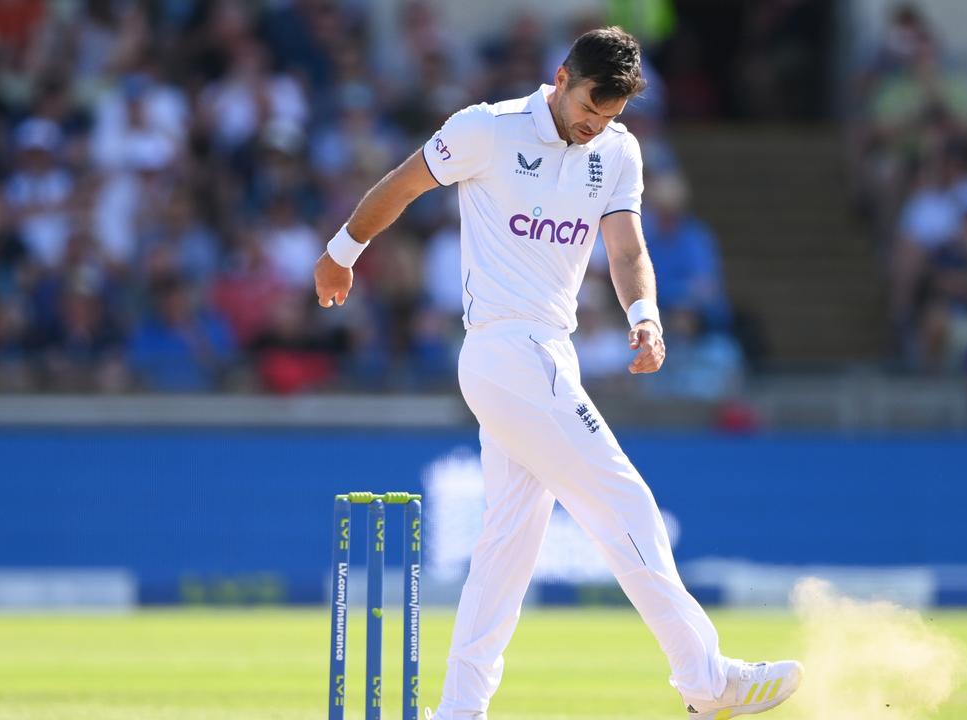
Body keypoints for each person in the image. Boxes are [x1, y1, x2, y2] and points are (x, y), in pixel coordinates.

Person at [314, 27, 802, 720]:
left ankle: (460, 708)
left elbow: (627, 245)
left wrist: (645, 314)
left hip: (549, 350)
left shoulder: (618, 150)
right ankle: (705, 679)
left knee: (508, 546)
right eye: (588, 109)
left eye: (609, 117)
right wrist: (342, 252)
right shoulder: (488, 128)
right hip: (503, 350)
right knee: (623, 501)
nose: (593, 126)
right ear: (563, 75)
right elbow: (405, 182)